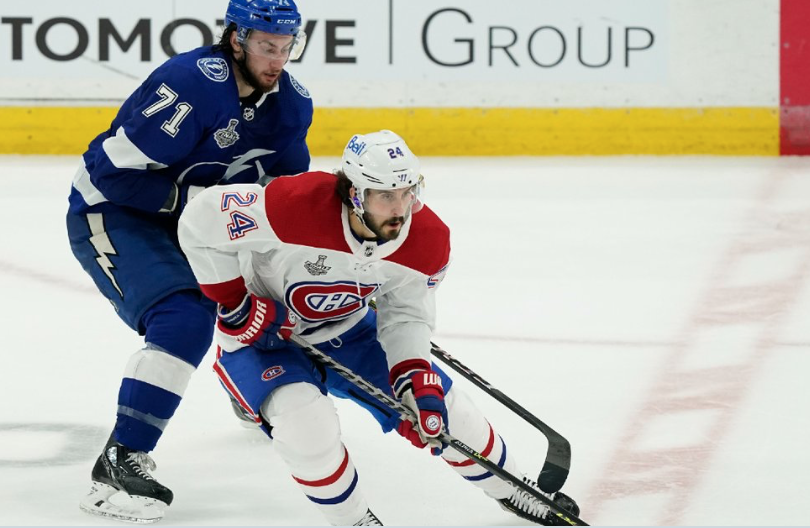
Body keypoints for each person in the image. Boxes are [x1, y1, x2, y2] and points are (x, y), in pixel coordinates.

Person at [177, 130, 581, 526]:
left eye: (407, 191)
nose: (401, 208)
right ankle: (355, 522)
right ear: (354, 193)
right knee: (307, 427)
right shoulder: (293, 205)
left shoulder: (427, 239)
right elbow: (200, 221)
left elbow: (405, 314)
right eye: (385, 195)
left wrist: (413, 376)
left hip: (351, 330)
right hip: (264, 337)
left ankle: (516, 491)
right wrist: (236, 302)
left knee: (448, 411)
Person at [65, 0, 312, 522]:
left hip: (197, 220)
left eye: (287, 48)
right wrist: (199, 204)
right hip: (116, 213)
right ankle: (121, 459)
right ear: (236, 38)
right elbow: (110, 173)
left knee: (275, 289)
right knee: (183, 317)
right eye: (268, 46)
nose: (278, 60)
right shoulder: (190, 83)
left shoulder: (291, 105)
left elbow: (283, 199)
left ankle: (250, 384)